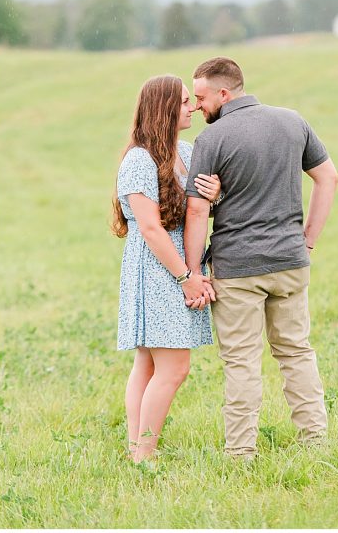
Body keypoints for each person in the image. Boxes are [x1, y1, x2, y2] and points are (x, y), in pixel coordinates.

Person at [183, 57, 338, 457]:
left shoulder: (211, 140)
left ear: (224, 92)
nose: (198, 106)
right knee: (296, 351)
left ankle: (240, 453)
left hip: (237, 268)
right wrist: (307, 241)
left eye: (201, 98)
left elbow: (198, 210)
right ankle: (315, 440)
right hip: (290, 261)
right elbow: (328, 178)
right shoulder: (292, 121)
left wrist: (192, 271)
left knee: (241, 361)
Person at [113, 75, 223, 463]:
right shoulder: (138, 160)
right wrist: (186, 277)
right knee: (174, 368)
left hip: (179, 261)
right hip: (157, 266)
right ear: (163, 109)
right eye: (181, 102)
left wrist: (214, 195)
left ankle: (136, 449)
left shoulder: (187, 152)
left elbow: (199, 207)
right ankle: (144, 453)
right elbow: (149, 228)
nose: (191, 106)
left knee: (148, 362)